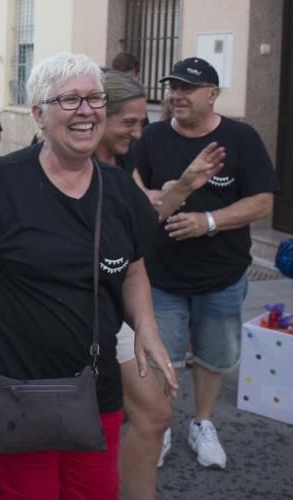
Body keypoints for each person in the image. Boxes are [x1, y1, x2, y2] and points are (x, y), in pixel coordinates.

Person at [0, 53, 178, 499]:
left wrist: (147, 327)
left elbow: (135, 265)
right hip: (9, 382)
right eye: (69, 99)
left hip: (92, 384)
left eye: (95, 98)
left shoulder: (120, 190)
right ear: (39, 114)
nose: (86, 110)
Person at [132, 57, 279, 470]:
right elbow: (133, 188)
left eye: (187, 88)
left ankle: (203, 423)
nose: (176, 95)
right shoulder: (151, 137)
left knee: (215, 358)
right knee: (166, 358)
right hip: (161, 275)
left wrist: (208, 221)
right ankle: (162, 427)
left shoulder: (241, 138)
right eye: (173, 87)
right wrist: (154, 197)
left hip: (223, 276)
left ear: (213, 94)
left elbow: (263, 201)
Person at [98, 71, 224, 499]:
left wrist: (185, 186)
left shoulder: (124, 161)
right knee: (78, 425)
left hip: (114, 308)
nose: (139, 133)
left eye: (142, 122)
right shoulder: (67, 159)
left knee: (153, 414)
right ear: (98, 115)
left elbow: (140, 228)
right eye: (129, 123)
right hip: (66, 313)